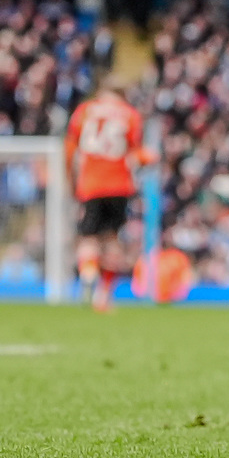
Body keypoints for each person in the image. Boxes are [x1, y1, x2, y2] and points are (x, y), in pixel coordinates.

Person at [64, 74, 152, 313]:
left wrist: (71, 182)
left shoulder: (84, 111)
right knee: (112, 238)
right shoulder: (130, 115)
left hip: (91, 184)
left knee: (88, 238)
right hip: (119, 185)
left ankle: (88, 273)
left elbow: (70, 150)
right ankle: (104, 295)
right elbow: (136, 155)